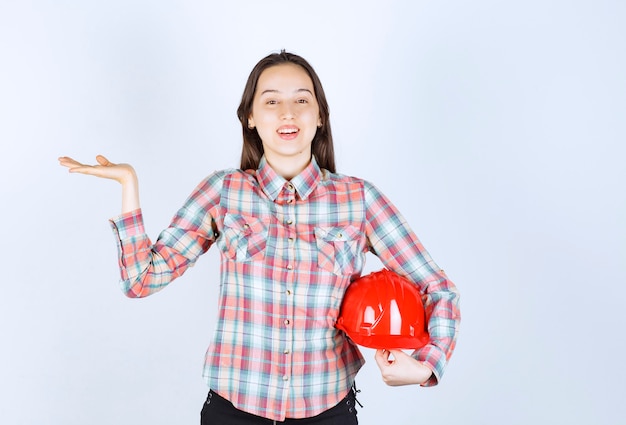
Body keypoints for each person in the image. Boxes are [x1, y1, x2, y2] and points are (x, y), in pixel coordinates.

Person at [59, 50, 461, 424]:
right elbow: (140, 280)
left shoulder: (359, 200)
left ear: (320, 115)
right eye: (271, 101)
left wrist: (426, 364)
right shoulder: (223, 191)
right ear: (250, 117)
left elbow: (437, 287)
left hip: (328, 412)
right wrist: (129, 185)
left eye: (302, 100)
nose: (287, 112)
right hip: (233, 411)